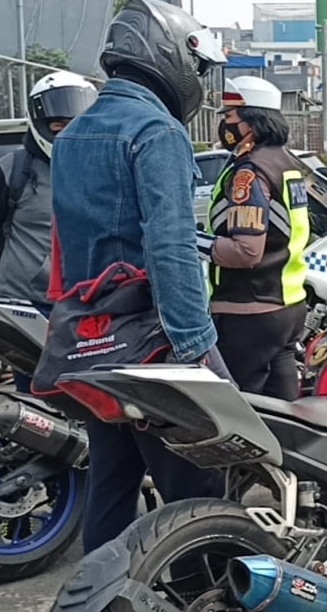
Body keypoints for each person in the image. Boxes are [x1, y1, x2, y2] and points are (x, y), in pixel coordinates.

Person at [49, 0, 230, 553]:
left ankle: (98, 594)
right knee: (201, 493)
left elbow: (63, 248)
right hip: (155, 338)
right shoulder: (157, 130)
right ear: (167, 54)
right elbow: (170, 245)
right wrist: (195, 349)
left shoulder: (74, 134)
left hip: (93, 340)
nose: (198, 79)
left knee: (113, 482)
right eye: (197, 65)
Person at [196, 76, 310, 401]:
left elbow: (246, 251)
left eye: (230, 117)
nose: (223, 123)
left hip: (249, 309)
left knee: (243, 409)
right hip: (288, 305)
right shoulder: (288, 164)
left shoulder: (250, 173)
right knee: (283, 408)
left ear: (252, 123)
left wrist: (190, 242)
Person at [0, 71, 97, 393]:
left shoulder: (101, 167)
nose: (67, 132)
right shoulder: (14, 169)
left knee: (89, 396)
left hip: (87, 304)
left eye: (76, 123)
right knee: (34, 400)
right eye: (59, 125)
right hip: (26, 306)